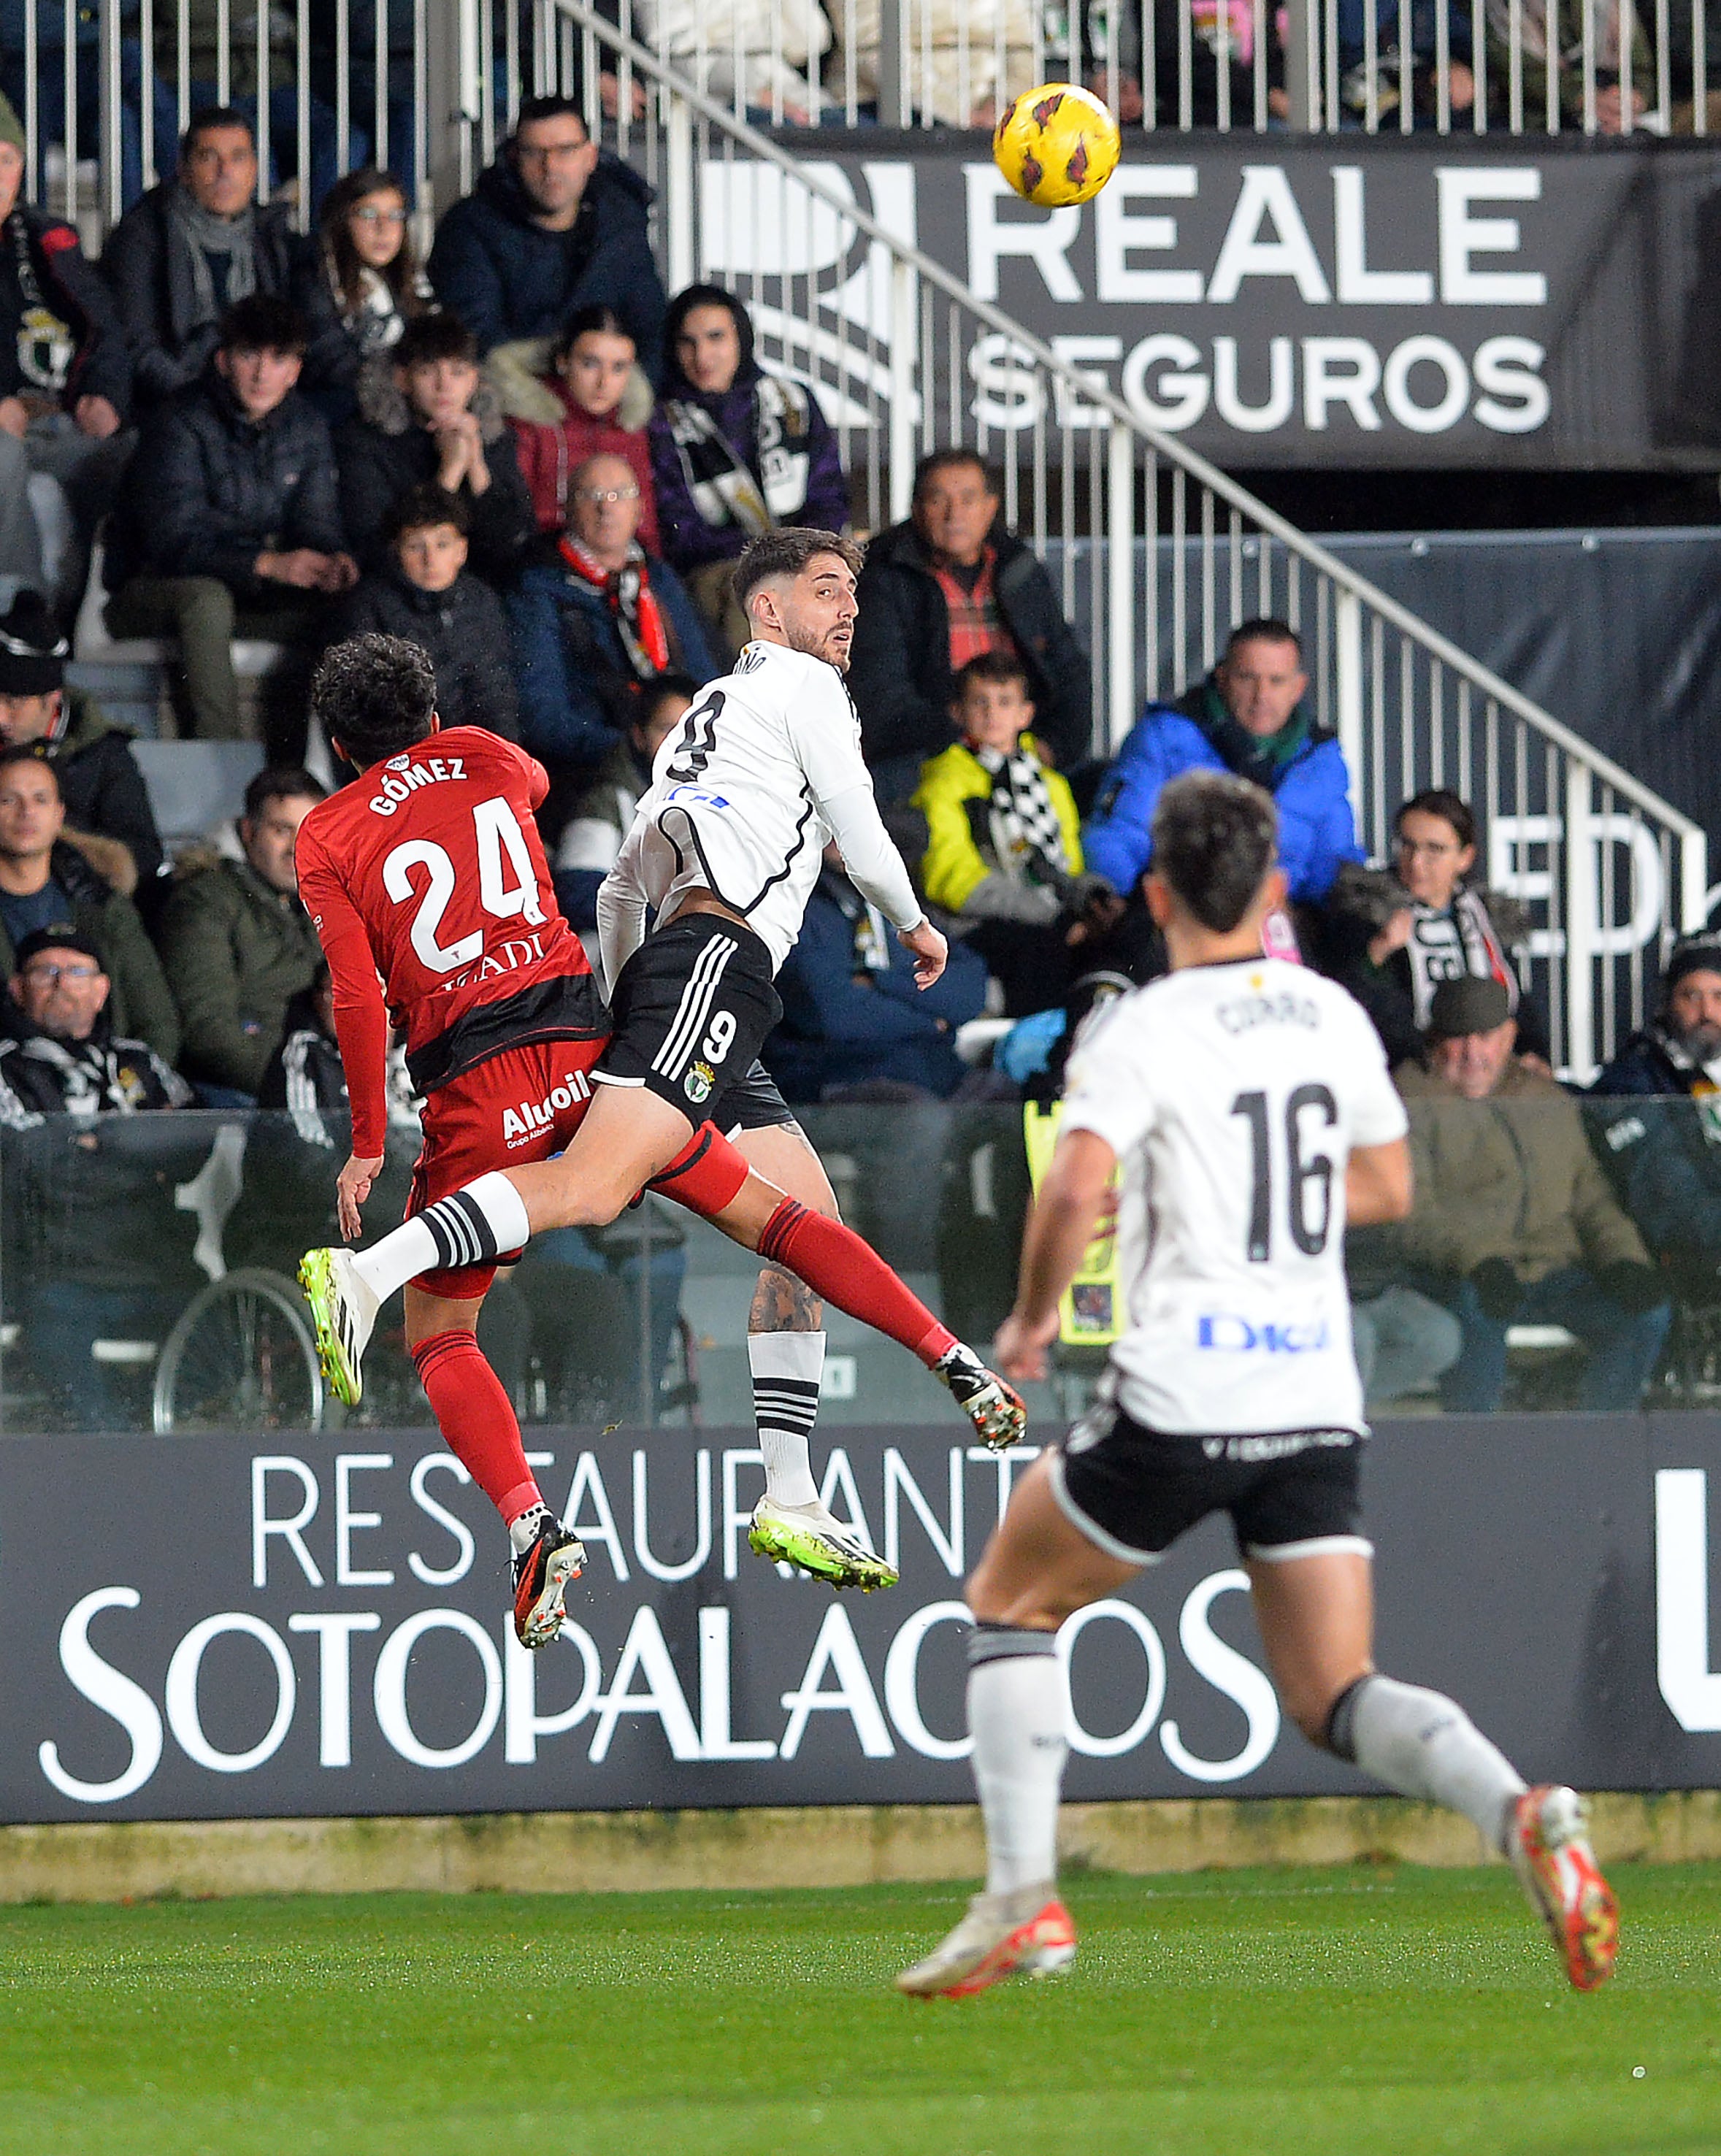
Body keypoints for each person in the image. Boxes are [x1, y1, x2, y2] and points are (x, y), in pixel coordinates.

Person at [895, 769, 1618, 2001]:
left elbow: (1072, 1188)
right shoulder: (1328, 1011)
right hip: (1312, 1400)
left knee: (1011, 1598)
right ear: (1276, 888)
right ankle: (1522, 1808)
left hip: (1186, 1389)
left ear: (1156, 891)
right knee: (1333, 1691)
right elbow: (1388, 1188)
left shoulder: (1143, 1028)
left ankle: (1021, 1900)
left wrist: (1024, 1324)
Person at [297, 549, 1026, 1595]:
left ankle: (686, 1501)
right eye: (832, 591)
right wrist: (912, 924)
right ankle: (925, 1379)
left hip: (506, 1061)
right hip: (623, 1013)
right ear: (430, 712)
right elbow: (548, 787)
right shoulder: (491, 754)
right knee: (748, 1216)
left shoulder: (329, 832)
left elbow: (362, 996)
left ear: (335, 747)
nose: (849, 609)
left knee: (462, 1322)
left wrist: (371, 1140)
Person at [1396, 976, 1670, 1413]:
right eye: (1458, 1039)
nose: (1473, 1054)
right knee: (1475, 1311)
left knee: (1645, 1314)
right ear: (1434, 1040)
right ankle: (1473, 1460)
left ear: (1508, 1037)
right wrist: (1477, 1260)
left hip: (1554, 1271)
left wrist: (1625, 1260)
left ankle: (1597, 1448)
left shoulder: (1544, 1097)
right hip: (1462, 1274)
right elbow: (1410, 1211)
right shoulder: (1407, 1100)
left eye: (1486, 1037)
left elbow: (1591, 1196)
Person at [104, 295, 356, 753]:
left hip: (252, 596)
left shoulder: (307, 427)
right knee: (206, 599)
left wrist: (330, 561)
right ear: (223, 360)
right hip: (149, 590)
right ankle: (224, 769)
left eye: (278, 359)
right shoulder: (179, 421)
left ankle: (321, 771)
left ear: (295, 371)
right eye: (249, 355)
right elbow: (171, 542)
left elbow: (316, 522)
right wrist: (267, 564)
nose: (262, 373)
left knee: (351, 604)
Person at [0, 923, 194, 1428]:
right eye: (46, 971)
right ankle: (111, 1465)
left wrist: (99, 1145)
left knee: (227, 1334)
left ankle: (160, 1447)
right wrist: (138, 1156)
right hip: (58, 1275)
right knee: (62, 1353)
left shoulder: (139, 1060)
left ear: (102, 988)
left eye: (78, 970)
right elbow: (35, 1169)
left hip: (153, 1266)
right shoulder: (6, 1068)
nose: (63, 982)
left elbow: (194, 1144)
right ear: (19, 989)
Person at [848, 448, 1094, 804]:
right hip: (927, 753)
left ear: (991, 508)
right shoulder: (883, 575)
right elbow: (882, 699)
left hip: (1022, 745)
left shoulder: (1018, 568)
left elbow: (1068, 669)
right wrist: (962, 741)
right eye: (938, 500)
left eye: (968, 499)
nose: (954, 515)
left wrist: (1051, 747)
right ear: (917, 509)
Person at [1083, 617, 1362, 909]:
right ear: (1222, 677)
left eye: (1276, 681)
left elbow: (1334, 869)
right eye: (1247, 678)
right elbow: (1118, 839)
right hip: (1177, 927)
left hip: (1285, 934)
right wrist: (1135, 918)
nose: (1261, 695)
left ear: (1298, 687)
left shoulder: (1323, 763)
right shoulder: (1163, 738)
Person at [913, 651, 1119, 1017]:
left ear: (1025, 714)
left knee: (1118, 931)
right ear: (958, 712)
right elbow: (951, 880)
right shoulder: (942, 781)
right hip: (973, 922)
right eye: (980, 702)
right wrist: (1047, 912)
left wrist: (1089, 896)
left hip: (1048, 909)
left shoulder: (1050, 783)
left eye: (1005, 702)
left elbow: (1067, 865)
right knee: (1042, 947)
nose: (993, 714)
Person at [649, 283, 849, 656]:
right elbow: (681, 532)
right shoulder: (662, 421)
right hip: (719, 574)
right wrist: (770, 557)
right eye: (687, 342)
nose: (702, 355)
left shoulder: (794, 402)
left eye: (715, 338)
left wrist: (792, 557)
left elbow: (830, 499)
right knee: (757, 599)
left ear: (741, 338)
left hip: (803, 563)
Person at [0, 91, 132, 621]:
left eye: (6, 160)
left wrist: (105, 394)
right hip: (5, 431)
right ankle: (23, 617)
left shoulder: (47, 237)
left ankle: (97, 616)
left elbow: (106, 329)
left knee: (131, 454)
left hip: (62, 420)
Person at [101, 107, 329, 415]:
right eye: (209, 157)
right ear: (183, 169)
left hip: (262, 400)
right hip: (173, 404)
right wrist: (199, 406)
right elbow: (138, 347)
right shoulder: (143, 235)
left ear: (254, 169)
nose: (225, 171)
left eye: (238, 157)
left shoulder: (274, 236)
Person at [506, 450, 716, 780]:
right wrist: (635, 750)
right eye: (591, 496)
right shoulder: (538, 587)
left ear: (639, 509)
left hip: (681, 752)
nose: (606, 508)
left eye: (619, 495)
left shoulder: (658, 577)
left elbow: (703, 675)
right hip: (601, 768)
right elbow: (543, 715)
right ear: (567, 508)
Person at [426, 96, 666, 371]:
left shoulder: (622, 225)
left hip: (611, 403)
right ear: (515, 157)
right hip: (509, 400)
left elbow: (650, 331)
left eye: (565, 151)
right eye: (534, 152)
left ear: (590, 157)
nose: (550, 167)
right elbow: (478, 340)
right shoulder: (469, 228)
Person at [1321, 789, 1547, 1069]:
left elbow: (1512, 1003)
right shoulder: (1361, 913)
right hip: (1408, 1074)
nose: (1416, 862)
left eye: (1434, 850)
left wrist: (1534, 1052)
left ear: (1465, 858)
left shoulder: (1486, 919)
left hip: (1485, 1071)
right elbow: (1339, 1007)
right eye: (1408, 845)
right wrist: (1377, 952)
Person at [766, 842, 989, 1102]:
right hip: (842, 1079)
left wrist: (879, 981)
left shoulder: (892, 898)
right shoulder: (793, 905)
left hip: (938, 1071)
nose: (843, 833)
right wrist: (931, 1022)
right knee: (918, 1114)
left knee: (1015, 1094)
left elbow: (971, 990)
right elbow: (830, 1012)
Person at [158, 765, 327, 1099]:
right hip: (247, 1095)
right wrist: (295, 1088)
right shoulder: (204, 900)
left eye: (311, 830)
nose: (298, 846)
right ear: (248, 832)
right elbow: (209, 1031)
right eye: (282, 830)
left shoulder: (326, 899)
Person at [0, 745, 177, 1056]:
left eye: (40, 799)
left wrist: (131, 1086)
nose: (26, 811)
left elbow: (156, 1022)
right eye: (8, 800)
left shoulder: (105, 907)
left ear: (60, 815)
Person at [335, 311, 534, 585]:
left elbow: (512, 544)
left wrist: (476, 466)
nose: (444, 386)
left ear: (474, 379)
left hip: (481, 590)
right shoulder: (364, 440)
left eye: (458, 372)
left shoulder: (494, 436)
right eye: (428, 371)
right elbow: (381, 552)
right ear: (402, 378)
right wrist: (450, 473)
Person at [0, 589, 166, 915]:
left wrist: (48, 838)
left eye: (14, 702)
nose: (0, 717)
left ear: (51, 699)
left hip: (79, 911)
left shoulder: (102, 754)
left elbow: (141, 855)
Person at [1589, 932, 1721, 1289]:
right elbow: (1665, 1193)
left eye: (1718, 996)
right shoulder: (1633, 1081)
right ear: (1667, 1003)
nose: (1707, 1013)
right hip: (1680, 1270)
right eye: (1691, 996)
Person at [340, 486, 521, 741]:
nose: (430, 559)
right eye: (415, 547)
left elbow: (498, 695)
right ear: (396, 551)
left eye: (442, 545)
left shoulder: (481, 601)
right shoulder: (369, 607)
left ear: (462, 551)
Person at [493, 302, 659, 551]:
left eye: (618, 368)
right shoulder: (531, 422)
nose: (604, 382)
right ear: (563, 362)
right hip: (545, 561)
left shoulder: (629, 427)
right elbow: (515, 520)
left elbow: (645, 526)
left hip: (622, 564)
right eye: (590, 364)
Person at [552, 670, 693, 930]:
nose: (678, 743)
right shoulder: (607, 799)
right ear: (639, 736)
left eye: (689, 730)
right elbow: (577, 892)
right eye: (666, 729)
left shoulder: (716, 802)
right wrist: (676, 910)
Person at [312, 166, 432, 421]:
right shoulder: (316, 278)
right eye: (368, 214)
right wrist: (403, 382)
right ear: (342, 221)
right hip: (346, 416)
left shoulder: (413, 282)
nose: (384, 228)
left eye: (395, 215)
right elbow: (330, 361)